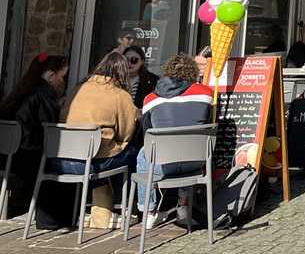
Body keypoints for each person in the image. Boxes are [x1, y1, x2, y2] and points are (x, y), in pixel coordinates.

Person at [60, 51, 140, 229]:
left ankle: (102, 210)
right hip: (93, 163)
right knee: (132, 152)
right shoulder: (120, 95)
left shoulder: (78, 88)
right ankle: (127, 208)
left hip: (63, 160)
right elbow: (126, 134)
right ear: (122, 73)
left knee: (102, 150)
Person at [136, 53, 213, 229]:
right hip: (196, 162)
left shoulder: (150, 99)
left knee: (143, 153)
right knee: (190, 146)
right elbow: (208, 123)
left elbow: (147, 134)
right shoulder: (206, 93)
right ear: (193, 72)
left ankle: (148, 212)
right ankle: (183, 207)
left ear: (167, 71)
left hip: (163, 163)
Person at [0, 54, 69, 221]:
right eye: (62, 76)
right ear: (51, 75)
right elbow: (50, 128)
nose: (63, 81)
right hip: (28, 156)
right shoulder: (43, 94)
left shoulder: (22, 89)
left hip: (8, 155)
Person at [122, 45, 158, 109]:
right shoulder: (116, 79)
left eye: (134, 60)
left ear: (142, 61)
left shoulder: (153, 81)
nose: (129, 63)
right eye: (126, 60)